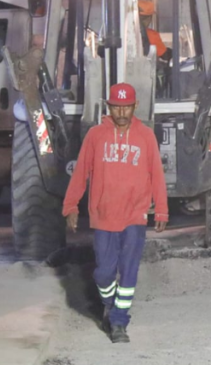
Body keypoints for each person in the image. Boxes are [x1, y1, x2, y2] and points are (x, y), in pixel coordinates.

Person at [62, 83, 169, 344]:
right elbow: (81, 173)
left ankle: (120, 322)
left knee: (129, 271)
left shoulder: (145, 137)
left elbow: (156, 174)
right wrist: (71, 206)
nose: (121, 112)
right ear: (109, 107)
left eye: (126, 106)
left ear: (135, 107)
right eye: (116, 106)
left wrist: (162, 210)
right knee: (104, 272)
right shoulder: (96, 136)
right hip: (104, 214)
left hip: (135, 214)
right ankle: (110, 303)